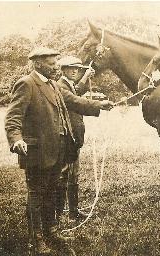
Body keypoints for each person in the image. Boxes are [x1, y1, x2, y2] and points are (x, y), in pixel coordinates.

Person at [4, 47, 114, 255]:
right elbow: (13, 117)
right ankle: (36, 240)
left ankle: (51, 231)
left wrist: (99, 104)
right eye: (52, 64)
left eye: (56, 63)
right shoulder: (27, 84)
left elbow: (75, 101)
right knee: (37, 195)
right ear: (37, 64)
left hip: (58, 150)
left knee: (52, 192)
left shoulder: (53, 85)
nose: (56, 67)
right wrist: (16, 139)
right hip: (37, 152)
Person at [55, 56, 95, 222]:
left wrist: (85, 76)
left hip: (74, 137)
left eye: (77, 69)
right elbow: (75, 100)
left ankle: (73, 212)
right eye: (70, 68)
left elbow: (76, 90)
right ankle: (57, 215)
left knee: (73, 175)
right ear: (63, 69)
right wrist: (99, 105)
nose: (74, 71)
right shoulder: (60, 86)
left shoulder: (68, 84)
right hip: (66, 137)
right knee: (63, 175)